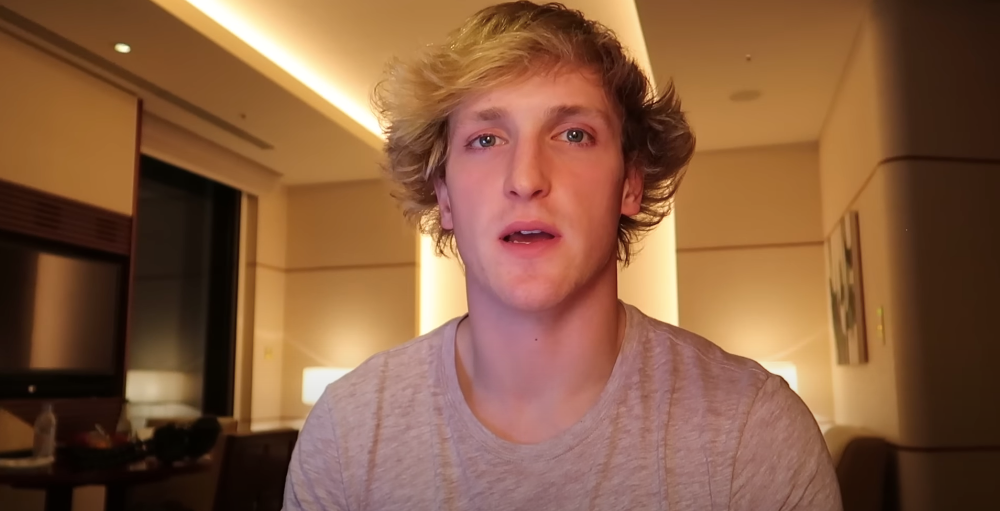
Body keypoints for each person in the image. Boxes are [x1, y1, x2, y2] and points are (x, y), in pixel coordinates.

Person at [283, 2, 841, 509]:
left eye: (573, 135)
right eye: (485, 139)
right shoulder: (347, 432)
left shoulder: (754, 432)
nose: (526, 179)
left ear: (629, 185)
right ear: (445, 196)